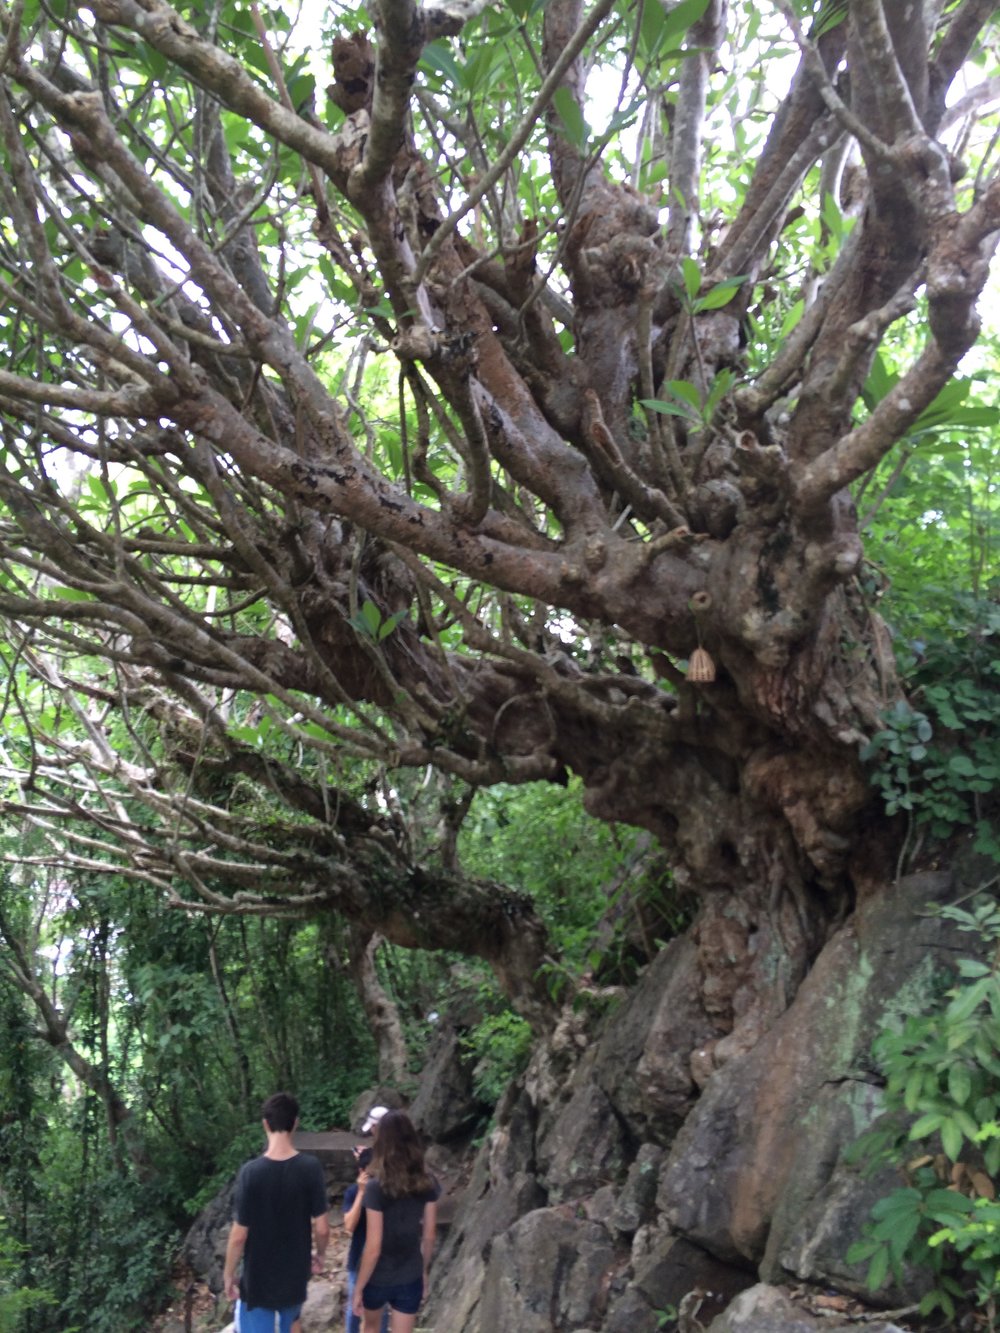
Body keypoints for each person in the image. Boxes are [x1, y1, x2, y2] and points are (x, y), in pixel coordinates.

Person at [223, 1091, 330, 1333]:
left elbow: (239, 1236)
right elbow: (322, 1228)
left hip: (258, 1282)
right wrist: (320, 1255)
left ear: (265, 1124)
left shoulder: (251, 1173)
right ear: (295, 1123)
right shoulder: (310, 1168)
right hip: (295, 1278)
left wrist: (229, 1275)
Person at [351, 1110, 440, 1333]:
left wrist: (359, 1287)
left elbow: (373, 1247)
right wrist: (424, 1271)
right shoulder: (427, 1182)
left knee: (370, 1328)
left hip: (378, 1277)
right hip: (410, 1273)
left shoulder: (375, 1187)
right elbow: (429, 1235)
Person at [342, 1147, 388, 1333]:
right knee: (354, 1307)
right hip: (358, 1260)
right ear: (362, 1172)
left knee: (381, 1312)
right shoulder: (353, 1192)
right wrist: (362, 1193)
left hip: (384, 1261)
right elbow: (349, 1226)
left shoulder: (388, 1191)